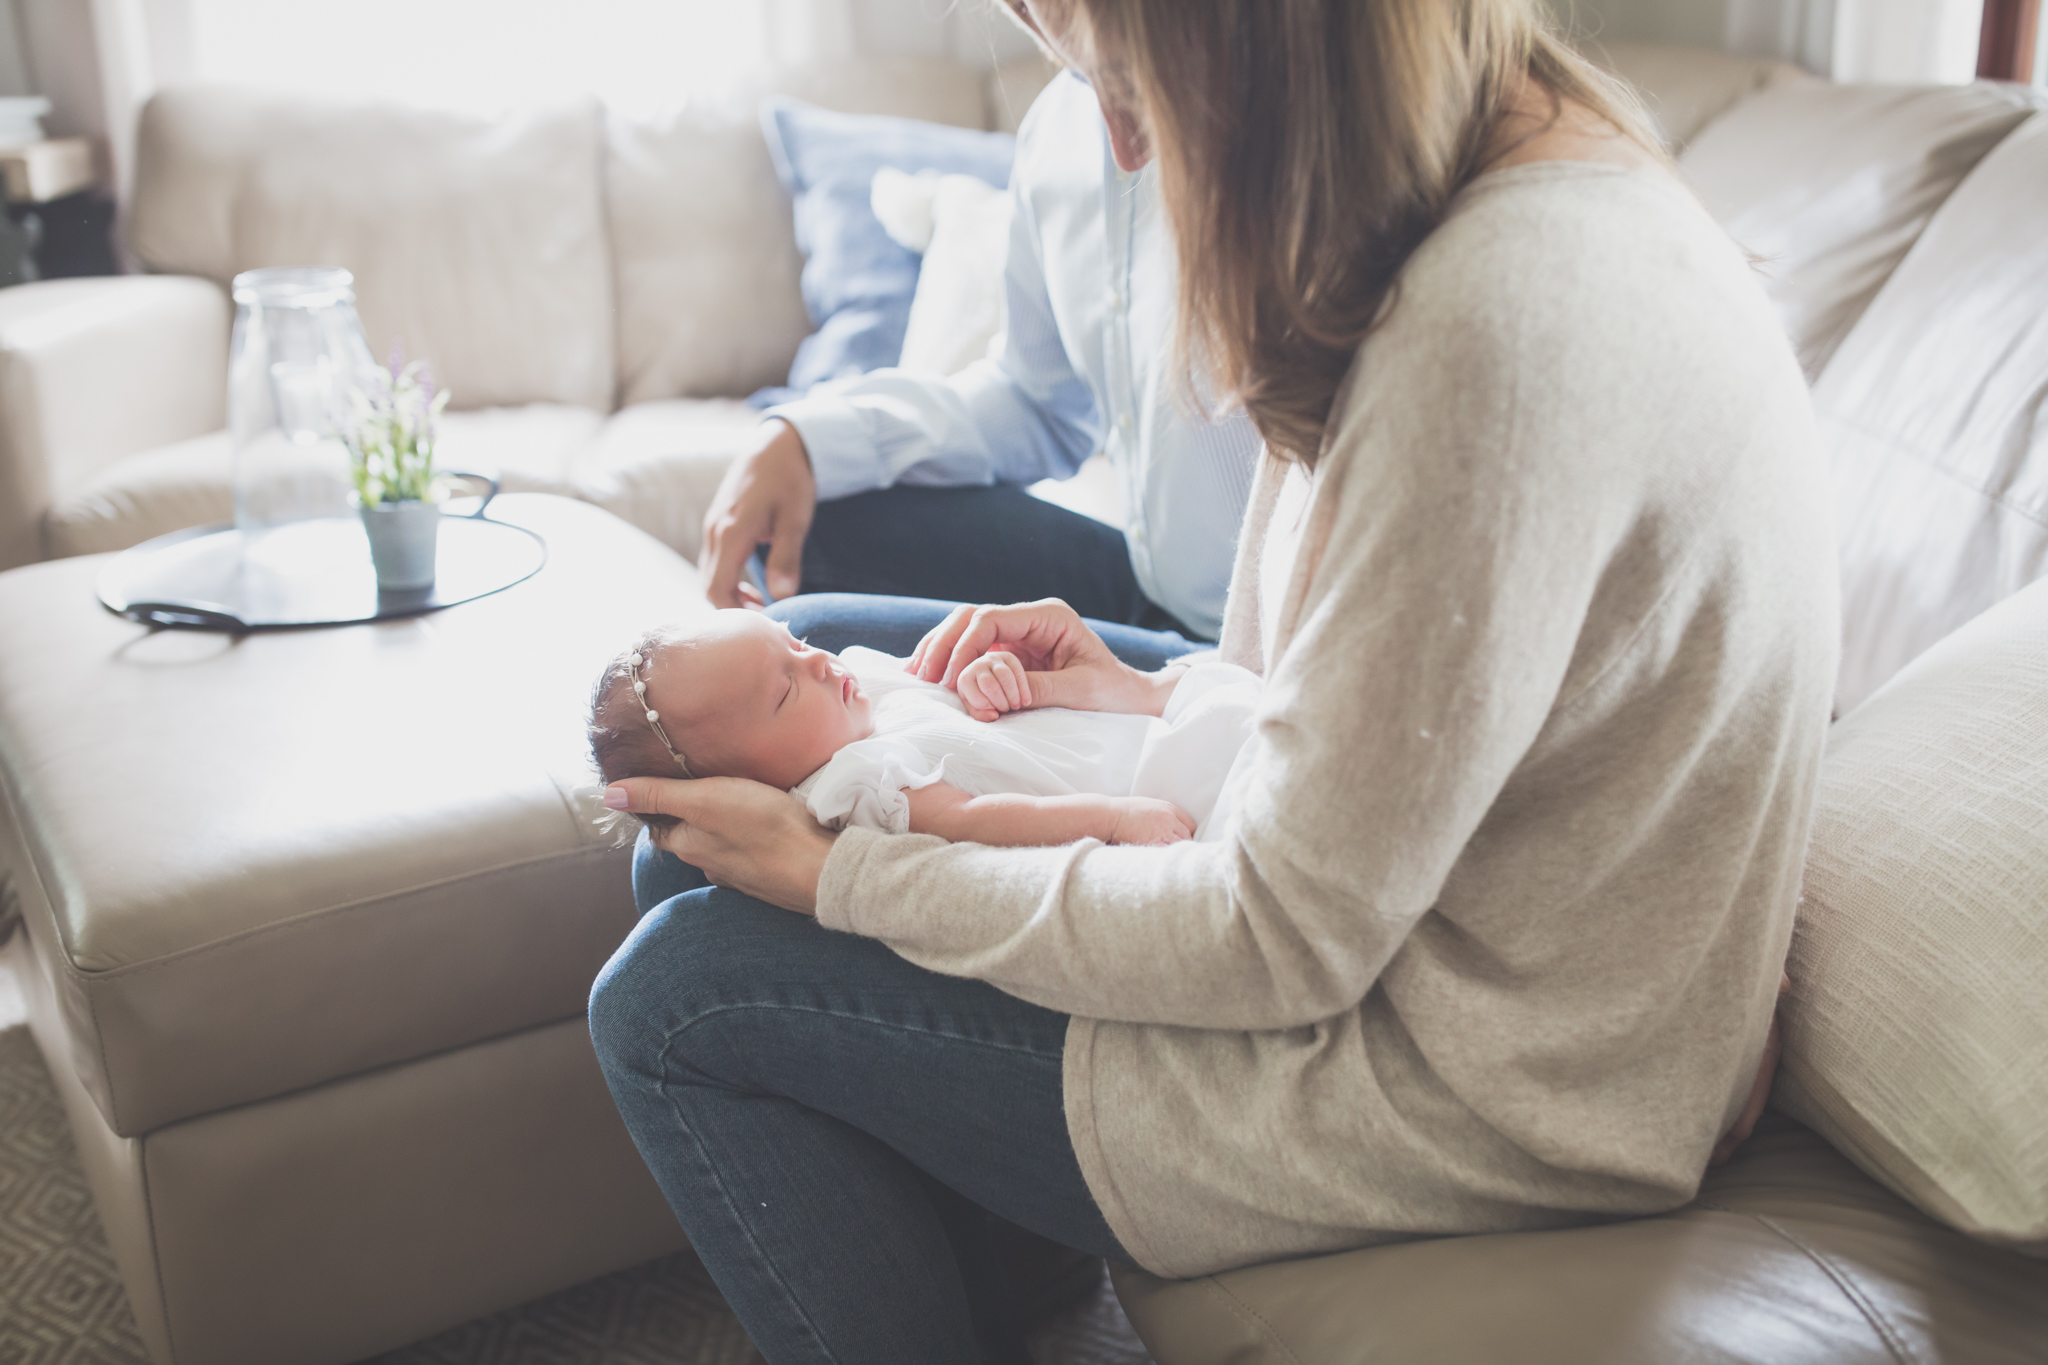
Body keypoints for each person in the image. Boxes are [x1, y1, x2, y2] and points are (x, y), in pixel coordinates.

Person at [590, 1, 1837, 1361]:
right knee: (757, 746)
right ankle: (997, 1276)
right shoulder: (1465, 189)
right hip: (1412, 913)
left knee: (676, 991)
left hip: (1473, 1078)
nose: (1121, 147)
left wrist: (848, 879)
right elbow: (1295, 677)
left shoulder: (1488, 327)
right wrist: (1128, 681)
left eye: (1124, 81)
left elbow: (1278, 939)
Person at [701, 0, 1260, 665]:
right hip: (1155, 594)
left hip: (1275, 639)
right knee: (799, 528)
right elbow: (1036, 404)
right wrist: (809, 438)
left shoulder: (1301, 122)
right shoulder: (1054, 130)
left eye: (1124, 86)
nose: (1122, 144)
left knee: (805, 640)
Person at [587, 608, 1268, 846]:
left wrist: (990, 677)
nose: (820, 660)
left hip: (1159, 718)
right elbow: (984, 820)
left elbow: (955, 703)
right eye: (787, 687)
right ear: (749, 785)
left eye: (792, 640)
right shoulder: (855, 782)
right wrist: (1114, 820)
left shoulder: (859, 689)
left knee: (1254, 720)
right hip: (1162, 788)